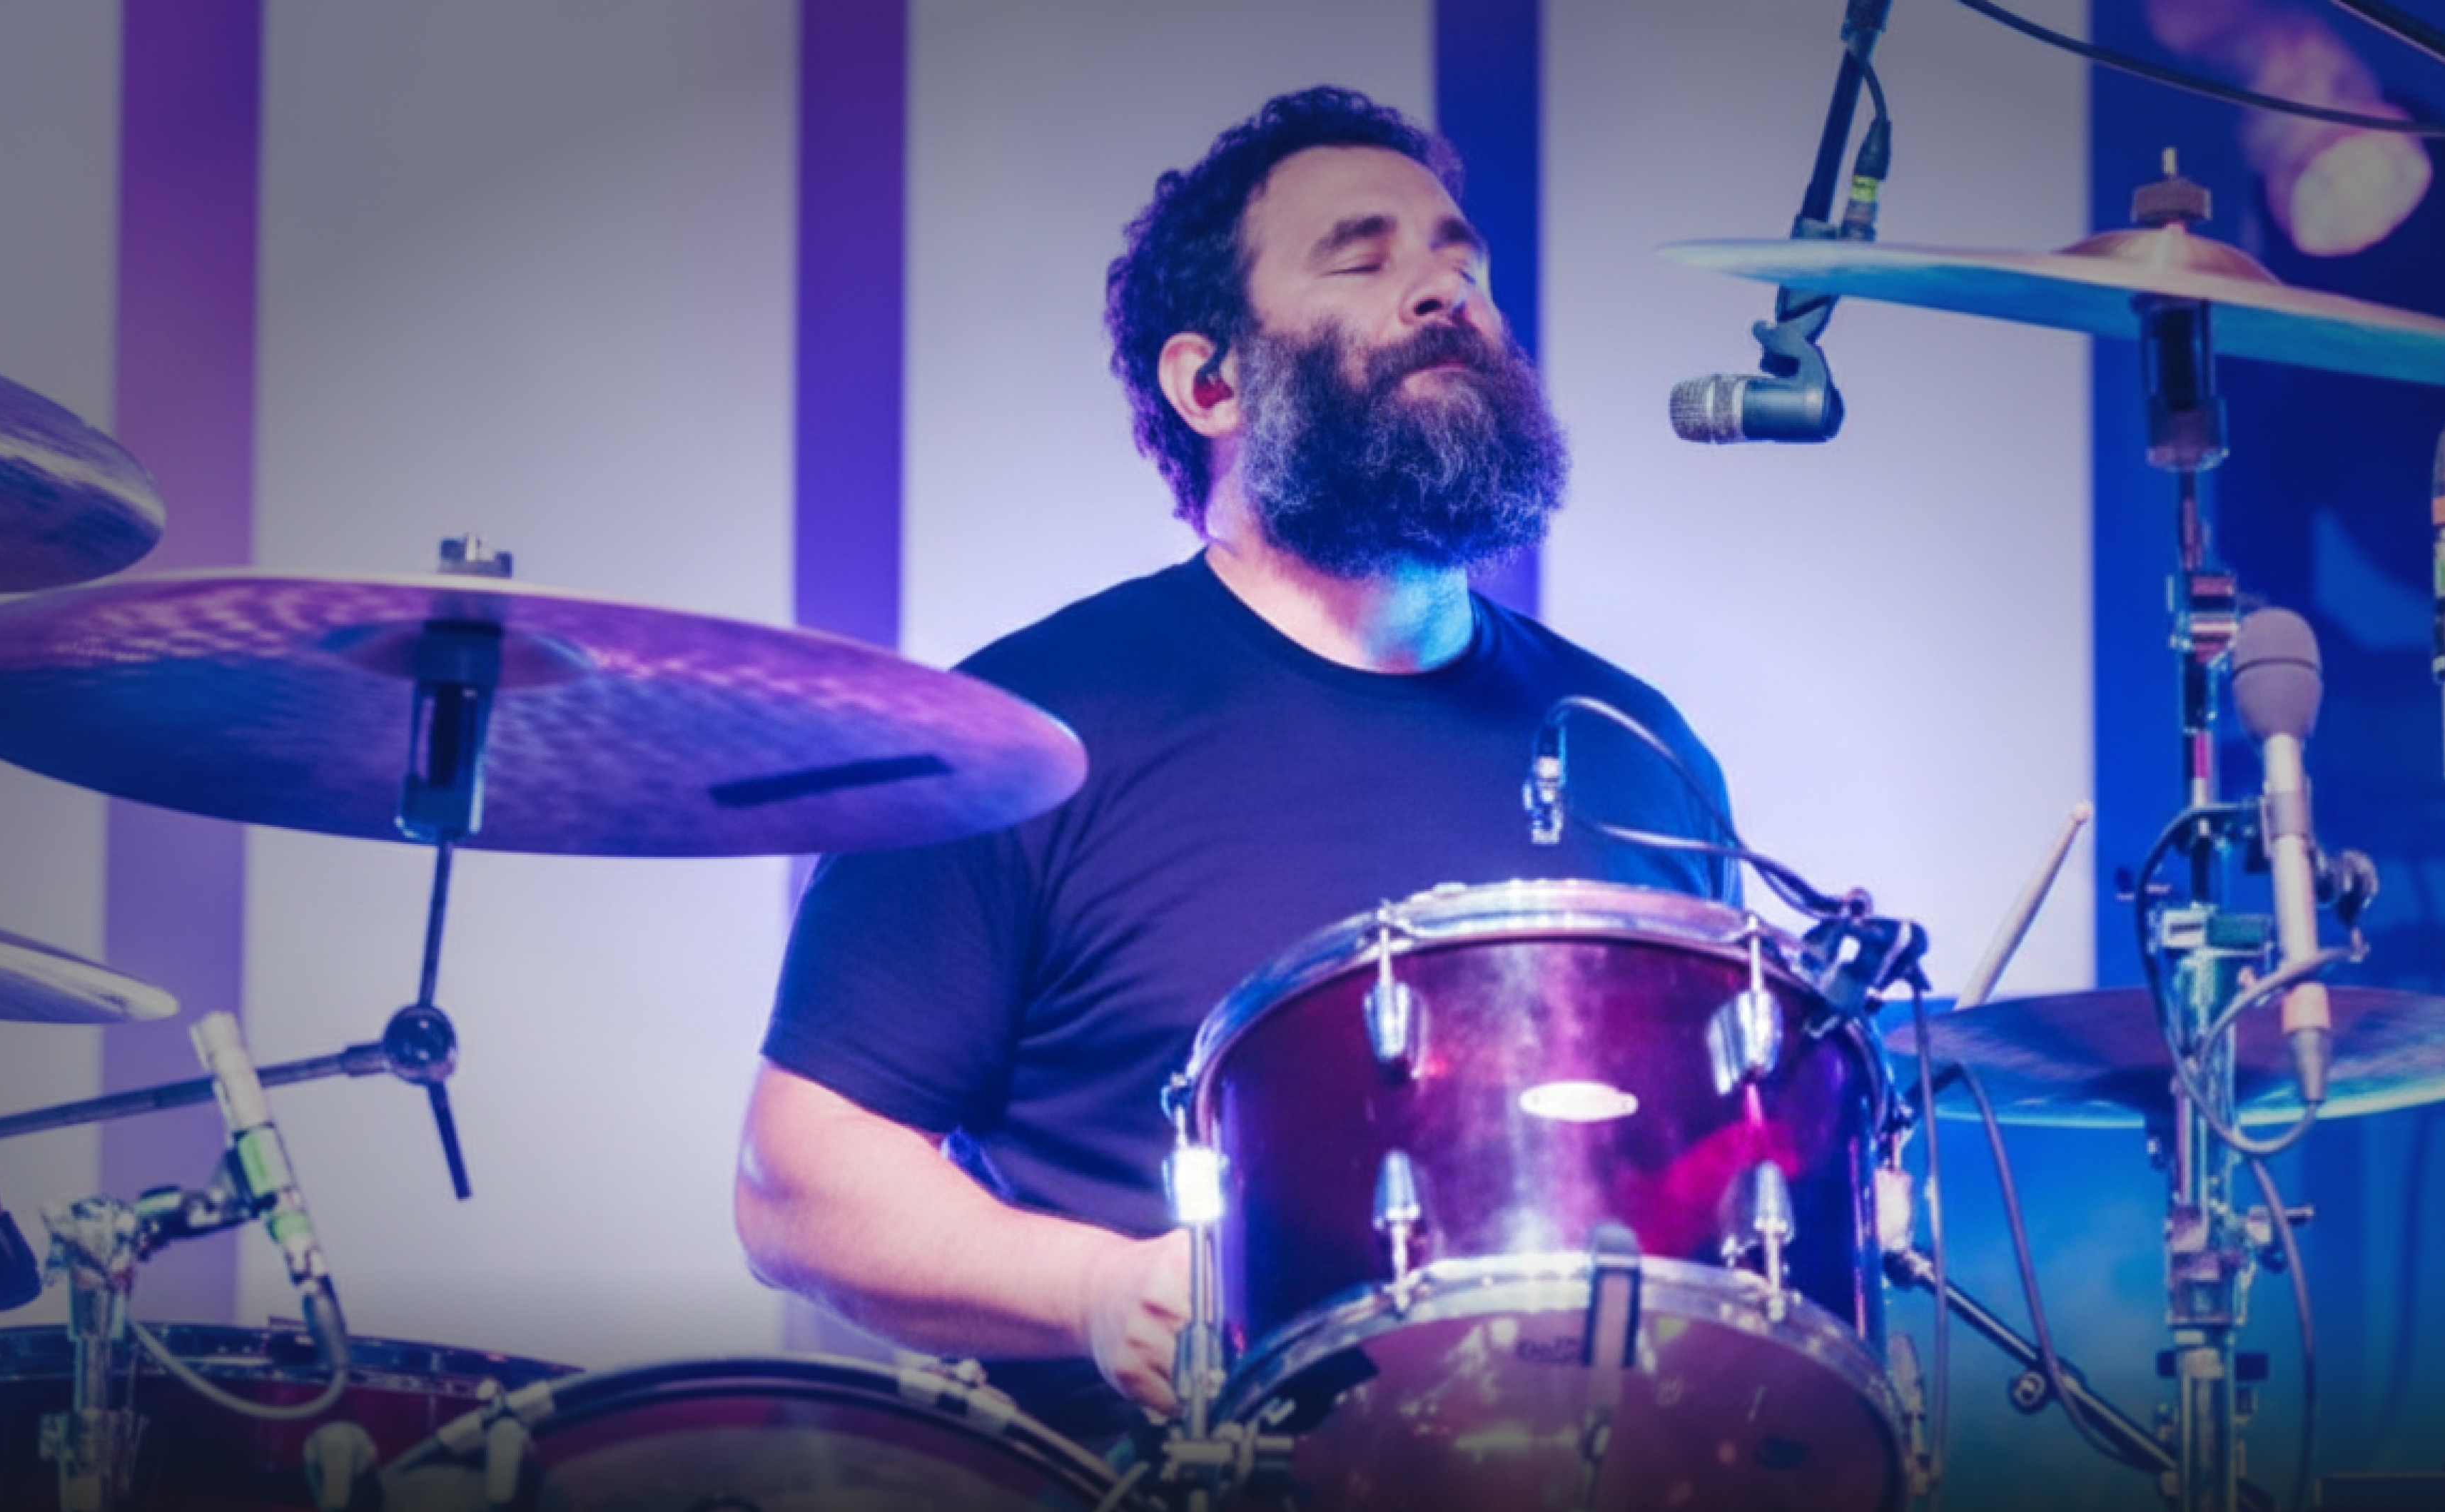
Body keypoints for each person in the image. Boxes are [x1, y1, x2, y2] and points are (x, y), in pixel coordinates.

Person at [736, 87, 1735, 1443]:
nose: (1445, 288)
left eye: (1462, 260)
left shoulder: (1640, 747)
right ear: (1212, 384)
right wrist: (1098, 1291)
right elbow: (796, 1183)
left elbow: (1736, 1158)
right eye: (1363, 257)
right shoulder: (1021, 733)